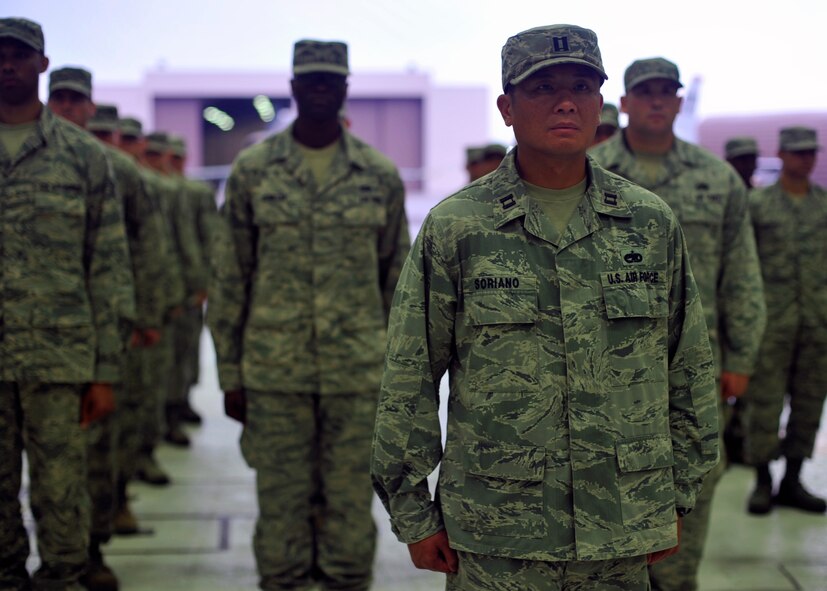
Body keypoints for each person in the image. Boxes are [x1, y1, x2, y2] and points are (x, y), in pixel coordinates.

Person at [371, 24, 719, 590]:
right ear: (507, 108)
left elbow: (689, 366)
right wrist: (411, 511)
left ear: (600, 105)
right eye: (542, 88)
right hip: (497, 528)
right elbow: (410, 376)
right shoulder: (459, 226)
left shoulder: (648, 222)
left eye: (582, 86)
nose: (565, 101)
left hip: (623, 522)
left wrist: (673, 496)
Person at [208, 39, 410, 591]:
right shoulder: (253, 171)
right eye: (311, 80)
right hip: (275, 375)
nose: (321, 89)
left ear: (345, 88)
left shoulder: (377, 173)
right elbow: (230, 281)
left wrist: (400, 380)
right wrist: (231, 373)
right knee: (281, 502)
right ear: (294, 88)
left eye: (331, 80)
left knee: (349, 501)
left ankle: (347, 582)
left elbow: (399, 286)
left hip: (357, 375)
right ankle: (284, 582)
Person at [590, 57, 766, 591]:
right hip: (604, 368)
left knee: (691, 488)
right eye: (645, 92)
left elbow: (741, 272)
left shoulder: (717, 180)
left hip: (695, 367)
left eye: (667, 91)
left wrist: (741, 358)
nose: (657, 101)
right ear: (623, 103)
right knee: (605, 498)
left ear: (680, 102)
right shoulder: (588, 169)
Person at [0, 18, 134, 590]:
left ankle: (63, 578)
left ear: (42, 65)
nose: (7, 64)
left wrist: (104, 370)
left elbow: (108, 268)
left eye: (19, 55)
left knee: (61, 487)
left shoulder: (82, 156)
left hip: (58, 359)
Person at [47, 68, 167, 591]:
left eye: (79, 100)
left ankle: (87, 548)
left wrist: (144, 314)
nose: (72, 109)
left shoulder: (110, 169)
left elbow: (141, 247)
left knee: (91, 448)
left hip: (86, 335)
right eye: (63, 99)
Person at [744, 126, 827, 516]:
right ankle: (762, 480)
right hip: (772, 322)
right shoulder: (758, 205)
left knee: (809, 402)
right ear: (782, 154)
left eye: (810, 152)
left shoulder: (823, 205)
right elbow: (744, 265)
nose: (804, 159)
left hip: (817, 323)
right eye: (797, 153)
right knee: (765, 403)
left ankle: (793, 480)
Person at [721, 135, 760, 467]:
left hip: (755, 307)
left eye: (751, 159)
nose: (747, 165)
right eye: (740, 159)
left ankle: (741, 442)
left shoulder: (755, 200)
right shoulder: (725, 195)